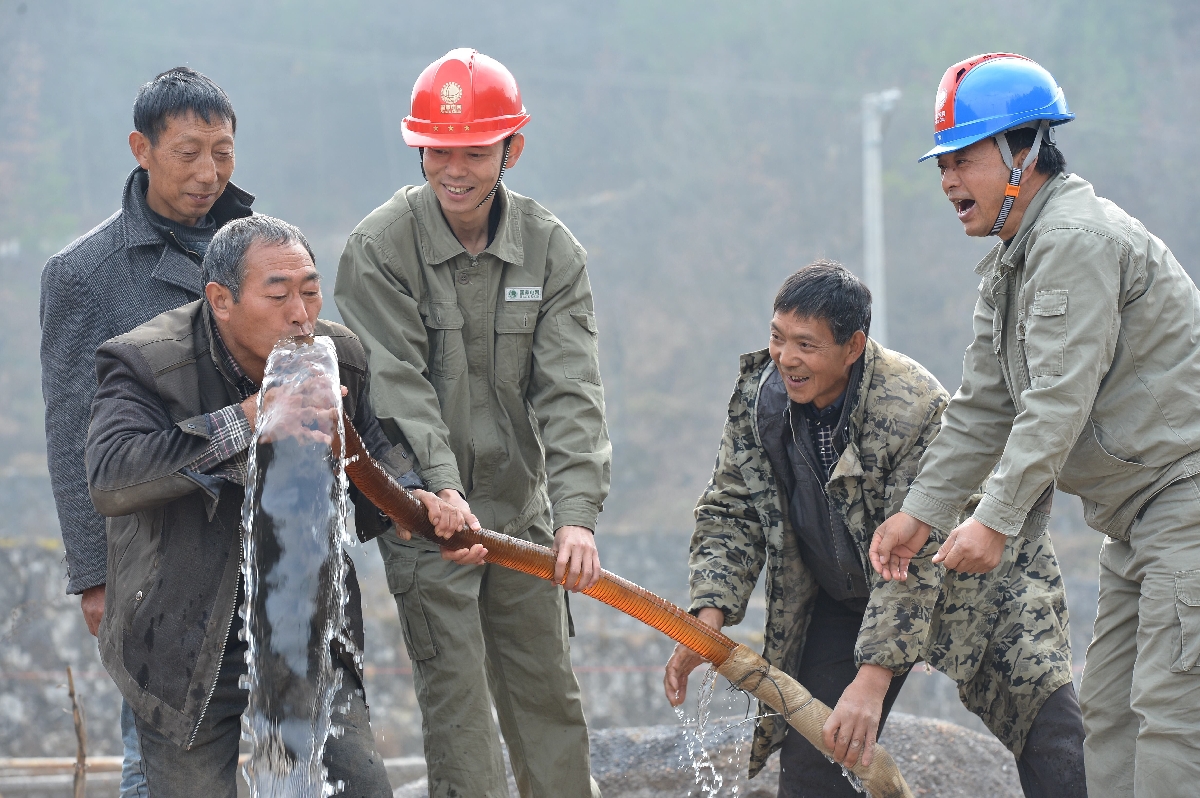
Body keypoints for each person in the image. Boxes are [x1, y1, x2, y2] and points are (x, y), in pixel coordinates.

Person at [870, 53, 1200, 797]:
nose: (949, 181)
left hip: (1186, 501)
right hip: (1134, 518)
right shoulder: (1012, 262)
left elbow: (1058, 399)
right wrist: (918, 514)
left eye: (965, 159)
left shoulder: (1075, 241)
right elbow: (984, 407)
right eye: (942, 164)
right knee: (1112, 717)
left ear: (1024, 151)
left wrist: (994, 520)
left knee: (1172, 716)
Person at [85, 215, 479, 796]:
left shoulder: (335, 353)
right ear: (221, 300)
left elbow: (376, 448)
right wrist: (247, 420)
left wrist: (418, 499)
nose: (301, 313)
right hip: (178, 627)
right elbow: (112, 476)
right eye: (278, 294)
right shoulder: (147, 362)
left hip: (305, 616)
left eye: (310, 290)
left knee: (360, 783)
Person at [665, 262, 1086, 798]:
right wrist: (708, 616)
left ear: (853, 346)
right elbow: (732, 508)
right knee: (819, 756)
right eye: (777, 337)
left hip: (975, 580)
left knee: (1051, 733)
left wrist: (873, 678)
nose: (786, 358)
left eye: (806, 345)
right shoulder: (761, 401)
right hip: (848, 595)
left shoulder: (910, 408)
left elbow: (914, 550)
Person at [335, 48, 611, 797]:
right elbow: (396, 388)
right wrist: (440, 495)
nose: (455, 169)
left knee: (547, 698)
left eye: (476, 151)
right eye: (440, 150)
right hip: (424, 513)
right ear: (419, 147)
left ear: (511, 149)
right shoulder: (378, 249)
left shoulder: (551, 251)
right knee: (457, 706)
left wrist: (578, 517)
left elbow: (571, 390)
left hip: (521, 513)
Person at [39, 66, 253, 796]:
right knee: (160, 745)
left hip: (256, 539)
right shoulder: (85, 274)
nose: (208, 173)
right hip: (155, 549)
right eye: (188, 152)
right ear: (142, 148)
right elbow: (72, 431)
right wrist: (94, 574)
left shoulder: (257, 249)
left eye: (222, 152)